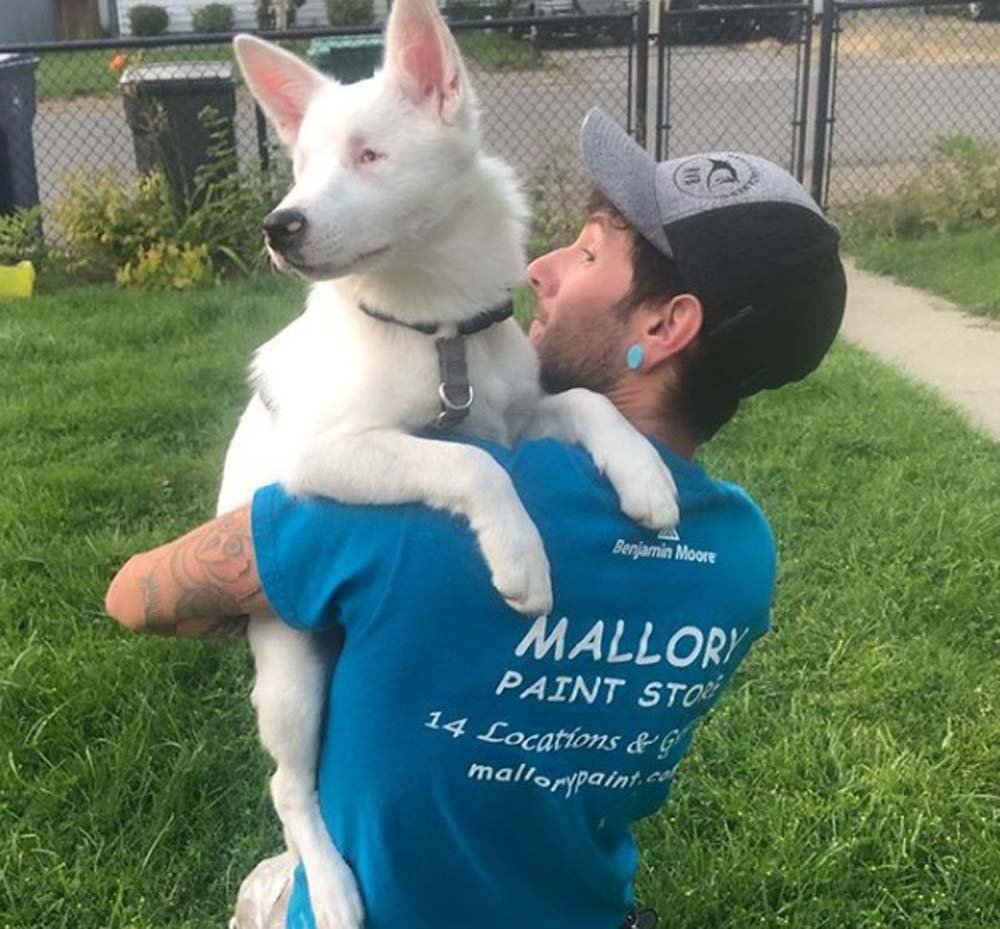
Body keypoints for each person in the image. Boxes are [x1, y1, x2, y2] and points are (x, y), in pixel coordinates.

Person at [105, 109, 846, 929]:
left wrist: (286, 577)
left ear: (665, 325)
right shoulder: (743, 555)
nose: (540, 268)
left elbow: (135, 596)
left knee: (267, 891)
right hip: (580, 911)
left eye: (587, 252)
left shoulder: (397, 514)